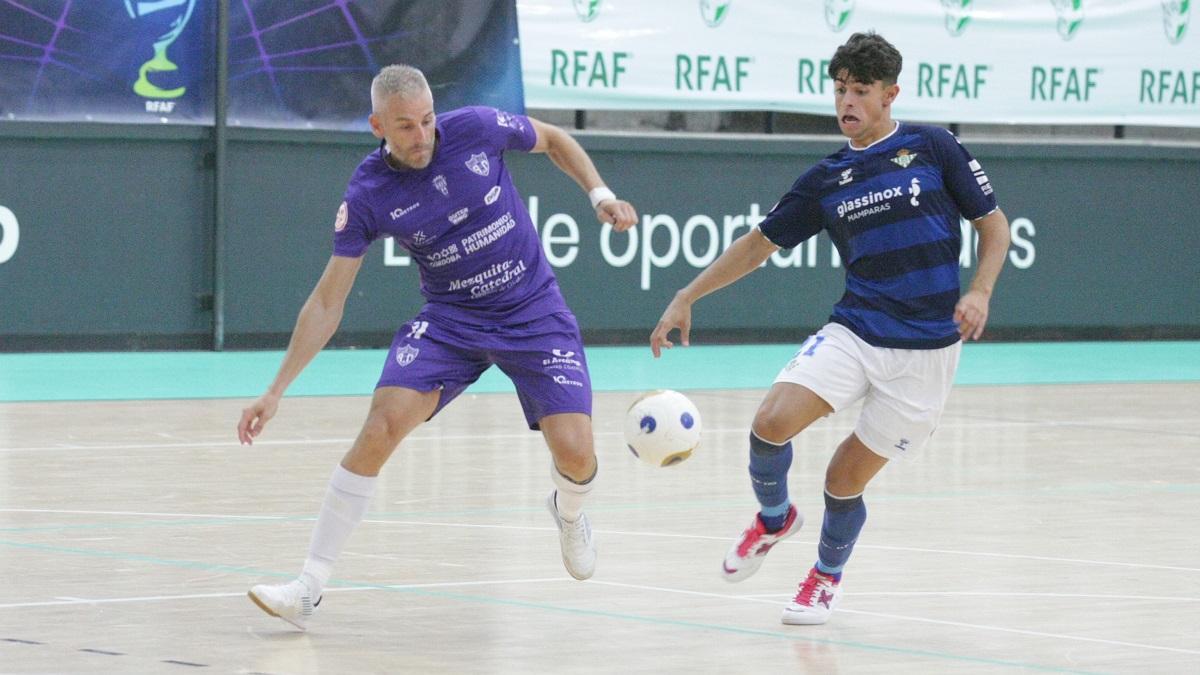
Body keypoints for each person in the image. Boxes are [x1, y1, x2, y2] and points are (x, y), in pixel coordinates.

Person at [239, 64, 638, 630]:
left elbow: (555, 139)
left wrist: (600, 194)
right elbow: (329, 300)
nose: (422, 136)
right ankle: (308, 587)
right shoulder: (369, 191)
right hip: (453, 320)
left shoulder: (476, 127)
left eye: (426, 120)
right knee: (381, 424)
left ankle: (569, 513)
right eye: (405, 127)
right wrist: (275, 390)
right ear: (377, 125)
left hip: (533, 311)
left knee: (576, 455)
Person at [649, 32, 1010, 625]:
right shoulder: (828, 178)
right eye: (840, 90)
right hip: (857, 330)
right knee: (769, 425)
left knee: (844, 479)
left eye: (860, 91)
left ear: (890, 94)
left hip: (925, 354)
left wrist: (980, 291)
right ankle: (773, 520)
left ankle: (824, 577)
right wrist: (687, 295)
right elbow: (758, 244)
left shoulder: (934, 147)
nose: (846, 102)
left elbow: (995, 228)